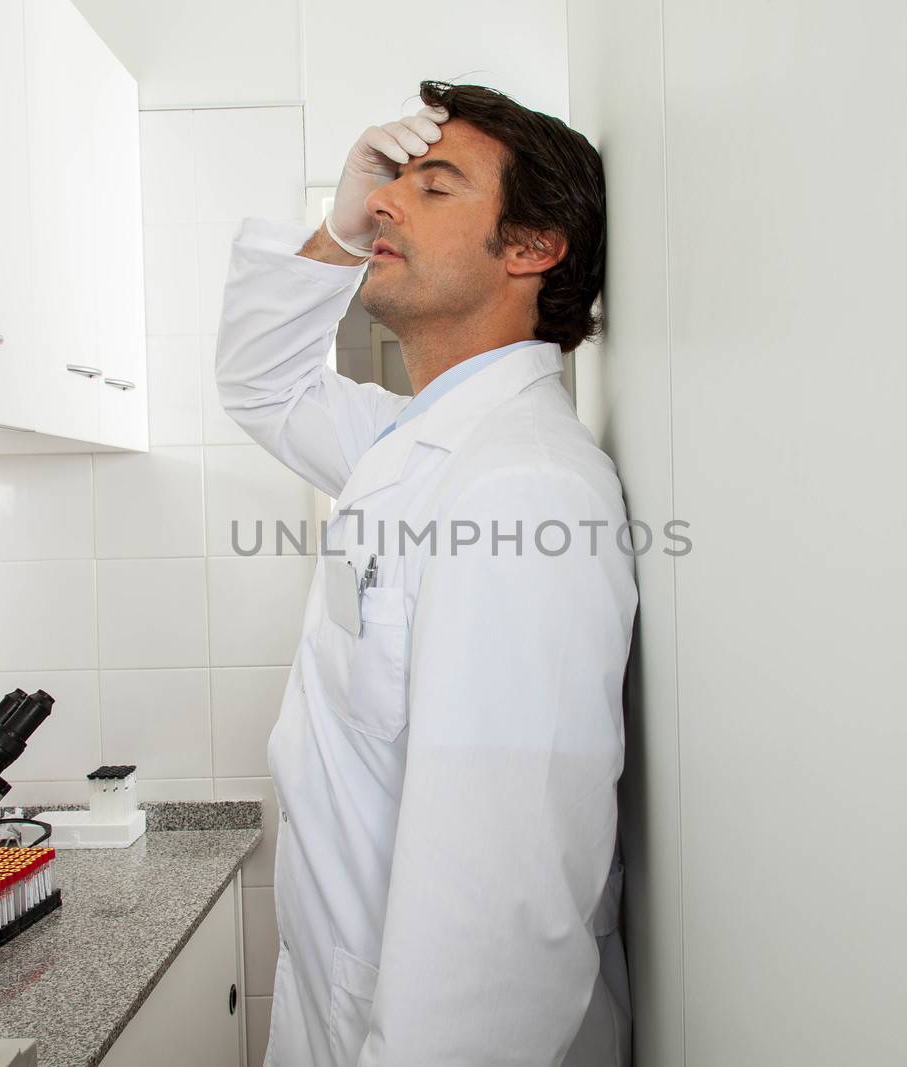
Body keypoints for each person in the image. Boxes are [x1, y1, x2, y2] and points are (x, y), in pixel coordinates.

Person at [216, 80, 636, 1066]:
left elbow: (499, 902)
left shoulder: (521, 483)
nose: (383, 208)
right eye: (386, 186)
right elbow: (262, 385)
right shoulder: (416, 441)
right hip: (343, 1008)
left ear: (532, 248)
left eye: (433, 187)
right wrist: (335, 222)